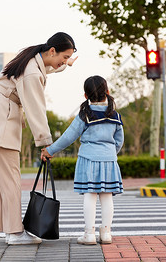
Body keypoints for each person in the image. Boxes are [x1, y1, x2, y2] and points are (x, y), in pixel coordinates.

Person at [0, 32, 77, 245]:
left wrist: (66, 64)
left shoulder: (32, 58)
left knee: (2, 181)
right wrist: (47, 143)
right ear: (52, 51)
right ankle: (15, 233)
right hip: (0, 122)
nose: (63, 62)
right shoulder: (31, 73)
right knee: (10, 179)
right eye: (63, 57)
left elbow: (49, 67)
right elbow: (35, 108)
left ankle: (10, 230)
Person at [41, 75, 124, 245]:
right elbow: (119, 140)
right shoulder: (115, 116)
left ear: (85, 96)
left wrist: (50, 150)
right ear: (107, 92)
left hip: (88, 159)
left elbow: (68, 137)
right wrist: (109, 153)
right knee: (107, 196)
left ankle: (89, 234)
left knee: (90, 195)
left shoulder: (84, 115)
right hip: (109, 160)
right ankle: (106, 233)